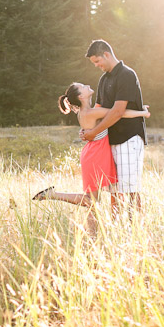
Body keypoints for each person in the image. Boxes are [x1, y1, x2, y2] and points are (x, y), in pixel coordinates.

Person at [32, 81, 149, 235]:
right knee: (91, 200)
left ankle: (101, 232)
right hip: (96, 156)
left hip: (97, 153)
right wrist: (142, 113)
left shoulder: (86, 112)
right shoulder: (90, 112)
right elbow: (119, 113)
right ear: (81, 96)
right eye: (83, 87)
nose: (87, 85)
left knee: (113, 193)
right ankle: (51, 196)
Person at [80, 40, 148, 219]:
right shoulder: (104, 79)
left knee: (131, 188)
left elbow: (118, 112)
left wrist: (94, 133)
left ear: (107, 55)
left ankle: (135, 229)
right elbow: (98, 108)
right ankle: (116, 228)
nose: (97, 66)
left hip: (129, 138)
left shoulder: (126, 75)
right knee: (114, 190)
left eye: (97, 61)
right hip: (110, 141)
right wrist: (87, 129)